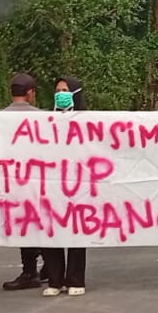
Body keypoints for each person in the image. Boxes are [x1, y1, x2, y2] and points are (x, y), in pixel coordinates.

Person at [40, 76, 89, 297]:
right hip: (51, 183)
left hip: (80, 184)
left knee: (77, 232)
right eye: (58, 90)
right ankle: (54, 280)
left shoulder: (89, 121)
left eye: (65, 90)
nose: (60, 94)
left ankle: (75, 279)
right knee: (52, 230)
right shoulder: (45, 121)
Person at [0, 72, 49, 292]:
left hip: (13, 180)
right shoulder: (41, 117)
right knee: (44, 222)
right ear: (30, 93)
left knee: (24, 224)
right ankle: (49, 267)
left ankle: (30, 271)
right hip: (40, 179)